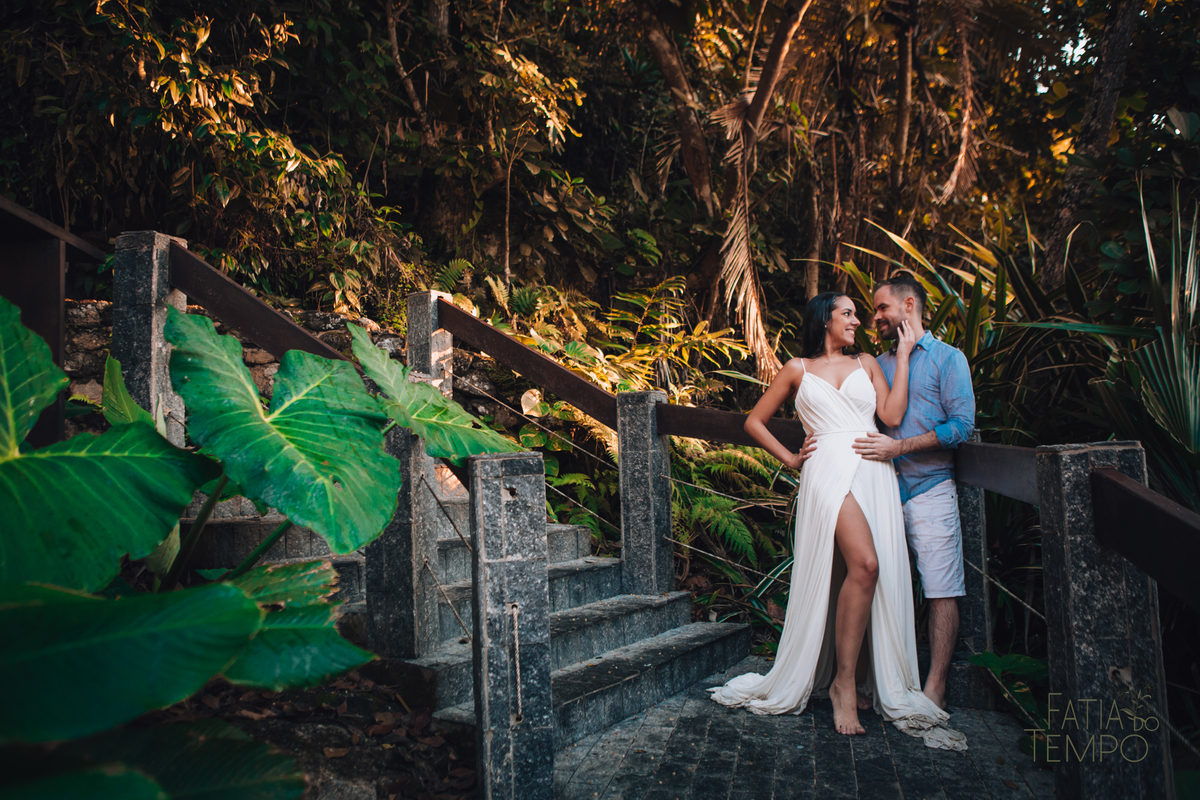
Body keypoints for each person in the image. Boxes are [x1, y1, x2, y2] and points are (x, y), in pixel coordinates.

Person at [708, 291, 966, 751]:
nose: (856, 321)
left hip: (874, 471)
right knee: (866, 565)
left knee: (857, 572)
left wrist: (903, 357)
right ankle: (842, 684)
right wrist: (790, 458)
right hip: (828, 469)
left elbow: (890, 415)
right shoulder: (797, 369)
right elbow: (754, 421)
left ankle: (861, 678)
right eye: (847, 314)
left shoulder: (868, 361)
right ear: (824, 319)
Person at [852, 274, 975, 710]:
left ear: (908, 305)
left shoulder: (948, 359)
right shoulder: (877, 364)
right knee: (877, 582)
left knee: (941, 589)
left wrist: (900, 447)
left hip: (931, 489)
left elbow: (962, 426)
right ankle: (877, 683)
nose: (876, 317)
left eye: (882, 308)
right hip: (880, 492)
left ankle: (935, 688)